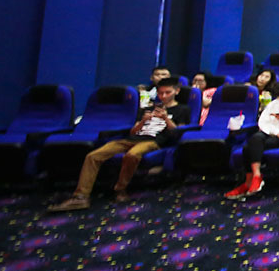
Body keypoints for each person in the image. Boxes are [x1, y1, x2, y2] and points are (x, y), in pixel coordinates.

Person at [49, 78, 189, 211]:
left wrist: (165, 118)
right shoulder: (148, 108)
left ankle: (120, 190)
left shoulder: (183, 109)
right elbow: (133, 131)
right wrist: (143, 121)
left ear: (176, 91)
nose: (163, 96)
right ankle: (80, 197)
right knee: (93, 156)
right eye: (161, 93)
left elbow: (177, 132)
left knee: (132, 155)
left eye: (167, 92)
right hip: (131, 139)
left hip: (153, 141)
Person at [225, 81, 279, 200]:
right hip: (272, 133)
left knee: (248, 148)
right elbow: (263, 122)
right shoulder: (275, 104)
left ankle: (249, 182)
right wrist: (276, 132)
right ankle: (256, 176)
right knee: (255, 138)